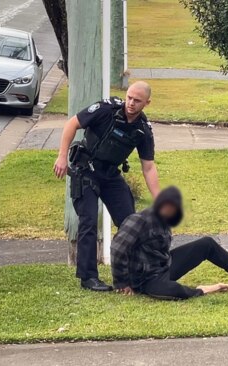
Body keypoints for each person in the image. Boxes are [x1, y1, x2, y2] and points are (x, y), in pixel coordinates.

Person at [53, 81, 160, 292]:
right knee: (89, 222)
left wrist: (159, 199)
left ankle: (133, 275)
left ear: (147, 103)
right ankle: (88, 278)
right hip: (86, 169)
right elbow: (72, 124)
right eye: (129, 97)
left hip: (110, 174)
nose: (130, 103)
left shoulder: (143, 130)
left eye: (137, 100)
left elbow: (148, 167)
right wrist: (62, 157)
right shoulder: (105, 110)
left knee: (131, 224)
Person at [111, 186, 228, 300]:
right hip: (144, 279)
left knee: (207, 244)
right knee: (171, 290)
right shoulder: (139, 220)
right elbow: (118, 248)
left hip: (163, 266)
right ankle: (203, 289)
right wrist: (122, 282)